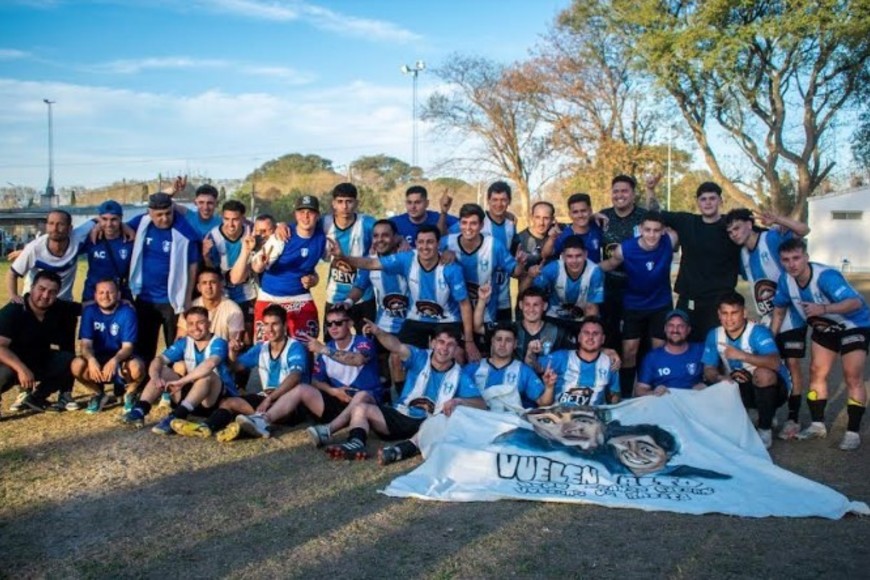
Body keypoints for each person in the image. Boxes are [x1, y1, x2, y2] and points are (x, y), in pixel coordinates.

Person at [379, 322, 553, 466]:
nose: (502, 344)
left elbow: (543, 402)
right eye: (498, 339)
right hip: (475, 421)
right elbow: (458, 394)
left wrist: (550, 386)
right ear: (491, 342)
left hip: (504, 422)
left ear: (515, 344)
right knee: (443, 417)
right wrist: (457, 401)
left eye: (508, 340)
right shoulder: (472, 368)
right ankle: (406, 448)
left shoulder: (523, 370)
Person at [307, 322, 482, 460]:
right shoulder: (420, 356)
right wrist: (378, 332)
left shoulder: (460, 375)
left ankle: (401, 451)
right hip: (401, 414)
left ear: (456, 349)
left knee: (440, 421)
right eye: (441, 342)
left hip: (426, 423)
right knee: (361, 406)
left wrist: (459, 401)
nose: (444, 348)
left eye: (451, 345)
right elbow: (396, 346)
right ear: (433, 343)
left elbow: (481, 405)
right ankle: (355, 442)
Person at [771, 238, 870, 450]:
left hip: (853, 324)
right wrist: (771, 340)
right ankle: (817, 425)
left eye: (796, 258)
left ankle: (852, 431)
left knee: (852, 375)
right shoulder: (785, 280)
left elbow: (856, 302)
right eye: (786, 260)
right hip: (824, 327)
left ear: (806, 257)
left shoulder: (826, 277)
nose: (792, 264)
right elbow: (779, 311)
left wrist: (823, 309)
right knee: (817, 372)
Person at [328, 225, 476, 362]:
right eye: (421, 242)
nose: (425, 247)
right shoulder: (408, 258)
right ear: (416, 244)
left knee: (456, 355)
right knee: (397, 357)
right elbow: (371, 264)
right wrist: (343, 256)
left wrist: (469, 341)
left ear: (438, 244)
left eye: (430, 242)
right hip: (416, 319)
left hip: (447, 320)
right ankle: (403, 390)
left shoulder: (451, 268)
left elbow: (464, 304)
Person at [725, 208, 810, 439]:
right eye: (730, 231)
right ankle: (767, 412)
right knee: (767, 365)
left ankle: (793, 418)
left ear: (750, 224)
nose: (734, 233)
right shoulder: (742, 254)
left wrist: (779, 219)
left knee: (792, 364)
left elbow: (804, 230)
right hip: (767, 318)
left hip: (792, 315)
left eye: (737, 227)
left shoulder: (771, 237)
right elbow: (757, 287)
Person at [234, 306, 383, 439]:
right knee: (302, 389)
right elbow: (314, 381)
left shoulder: (362, 342)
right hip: (339, 401)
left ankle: (328, 430)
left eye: (338, 323)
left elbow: (357, 360)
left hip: (367, 402)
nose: (333, 327)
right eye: (329, 324)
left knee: (362, 395)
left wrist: (324, 350)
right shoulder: (327, 347)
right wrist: (332, 391)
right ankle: (263, 420)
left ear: (350, 323)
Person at [169, 304, 308, 441]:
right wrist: (233, 352)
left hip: (290, 402)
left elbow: (294, 377)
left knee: (247, 411)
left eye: (275, 324)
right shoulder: (261, 348)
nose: (269, 329)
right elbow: (234, 367)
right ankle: (206, 427)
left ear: (284, 325)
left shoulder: (295, 347)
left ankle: (253, 425)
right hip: (267, 397)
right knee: (227, 402)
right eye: (266, 324)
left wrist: (269, 399)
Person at [7, 210, 91, 410]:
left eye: (60, 224)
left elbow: (102, 218)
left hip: (63, 304)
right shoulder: (34, 248)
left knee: (67, 351)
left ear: (69, 228)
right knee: (29, 348)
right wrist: (14, 296)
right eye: (51, 223)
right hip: (37, 305)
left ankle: (65, 394)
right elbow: (12, 273)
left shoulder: (78, 236)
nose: (55, 228)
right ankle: (25, 392)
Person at [120, 306, 237, 434]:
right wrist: (155, 377)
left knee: (207, 375)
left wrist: (181, 382)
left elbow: (209, 365)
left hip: (215, 400)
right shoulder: (185, 342)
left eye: (200, 323)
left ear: (209, 324)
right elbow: (159, 360)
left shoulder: (219, 342)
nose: (195, 327)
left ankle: (175, 417)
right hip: (194, 397)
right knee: (163, 370)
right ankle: (140, 410)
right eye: (191, 324)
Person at [599, 211, 677, 398]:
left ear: (663, 231)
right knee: (629, 351)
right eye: (648, 230)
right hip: (633, 305)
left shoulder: (670, 241)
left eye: (656, 231)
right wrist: (582, 268)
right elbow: (609, 264)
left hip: (660, 304)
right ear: (640, 229)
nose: (652, 234)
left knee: (658, 350)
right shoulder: (625, 249)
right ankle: (626, 395)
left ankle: (657, 393)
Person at [702, 292, 791, 449]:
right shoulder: (714, 335)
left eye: (734, 313)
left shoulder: (757, 332)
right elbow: (708, 368)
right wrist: (718, 378)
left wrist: (741, 356)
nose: (729, 319)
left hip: (776, 388)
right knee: (712, 384)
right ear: (719, 314)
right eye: (725, 313)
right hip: (740, 385)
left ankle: (765, 430)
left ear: (744, 313)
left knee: (763, 374)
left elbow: (775, 362)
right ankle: (758, 413)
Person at [661, 182, 741, 341]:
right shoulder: (687, 221)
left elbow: (755, 234)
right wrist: (650, 190)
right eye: (703, 199)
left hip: (719, 301)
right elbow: (655, 214)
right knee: (683, 345)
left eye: (712, 198)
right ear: (697, 202)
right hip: (689, 299)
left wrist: (780, 226)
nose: (708, 202)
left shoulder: (732, 225)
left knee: (717, 349)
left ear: (720, 201)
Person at [127, 192, 200, 364]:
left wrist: (187, 296)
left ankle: (174, 386)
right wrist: (98, 224)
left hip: (171, 301)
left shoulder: (184, 231)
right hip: (145, 298)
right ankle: (143, 386)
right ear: (149, 213)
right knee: (144, 346)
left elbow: (193, 265)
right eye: (159, 215)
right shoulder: (141, 223)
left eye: (168, 213)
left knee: (174, 347)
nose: (165, 218)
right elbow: (119, 226)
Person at [247, 196, 326, 341]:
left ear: (318, 215)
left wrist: (313, 279)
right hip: (270, 297)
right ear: (295, 215)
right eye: (301, 212)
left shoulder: (322, 236)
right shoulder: (283, 235)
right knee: (265, 348)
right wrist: (261, 263)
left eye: (310, 212)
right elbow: (256, 267)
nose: (306, 216)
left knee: (306, 346)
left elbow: (315, 270)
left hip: (299, 297)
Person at [0, 271, 77, 412]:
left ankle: (36, 397)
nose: (46, 295)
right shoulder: (13, 311)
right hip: (12, 363)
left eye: (52, 292)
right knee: (3, 372)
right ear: (32, 287)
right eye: (41, 289)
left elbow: (86, 307)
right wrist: (21, 368)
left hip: (39, 360)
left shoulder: (59, 308)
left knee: (70, 361)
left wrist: (120, 301)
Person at [440, 203, 522, 326]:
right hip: (454, 316)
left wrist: (520, 263)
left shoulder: (494, 245)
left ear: (481, 225)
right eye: (464, 223)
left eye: (473, 223)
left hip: (486, 315)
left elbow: (515, 271)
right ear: (459, 224)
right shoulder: (447, 242)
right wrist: (442, 254)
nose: (468, 228)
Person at [70, 278, 145, 413]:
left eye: (110, 292)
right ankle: (99, 394)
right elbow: (85, 344)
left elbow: (128, 347)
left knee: (137, 367)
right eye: (101, 292)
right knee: (76, 365)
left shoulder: (127, 312)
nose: (105, 296)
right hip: (98, 358)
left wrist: (115, 361)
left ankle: (130, 393)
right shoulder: (89, 311)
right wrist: (92, 360)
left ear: (119, 295)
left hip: (120, 359)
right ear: (95, 295)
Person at [600, 175, 650, 350]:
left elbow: (659, 221)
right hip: (609, 286)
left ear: (633, 194)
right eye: (616, 191)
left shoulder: (643, 217)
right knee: (610, 335)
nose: (619, 195)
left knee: (636, 340)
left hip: (638, 287)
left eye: (624, 191)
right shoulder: (603, 216)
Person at [526, 316, 621, 406]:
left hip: (592, 418)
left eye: (595, 333)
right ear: (579, 337)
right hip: (560, 415)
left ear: (603, 339)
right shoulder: (562, 357)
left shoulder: (610, 362)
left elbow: (614, 395)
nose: (590, 337)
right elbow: (535, 366)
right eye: (586, 333)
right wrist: (531, 352)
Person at [522, 235, 604, 336]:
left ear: (585, 254)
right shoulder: (553, 268)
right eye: (569, 256)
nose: (574, 261)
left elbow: (592, 308)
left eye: (578, 256)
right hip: (553, 318)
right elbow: (525, 294)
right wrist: (530, 277)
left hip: (582, 320)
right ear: (563, 256)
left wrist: (587, 333)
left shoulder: (594, 272)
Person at [322, 183, 376, 332]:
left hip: (364, 297)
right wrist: (282, 226)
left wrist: (401, 240)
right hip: (334, 296)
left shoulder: (367, 223)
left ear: (356, 203)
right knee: (331, 345)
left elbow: (390, 233)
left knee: (368, 346)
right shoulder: (325, 223)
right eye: (340, 202)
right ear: (333, 204)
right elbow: (301, 227)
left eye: (349, 201)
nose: (344, 206)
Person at [203, 200, 256, 338]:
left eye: (235, 219)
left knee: (247, 337)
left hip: (248, 292)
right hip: (224, 294)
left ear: (243, 218)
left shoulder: (252, 232)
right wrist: (206, 257)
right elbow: (211, 270)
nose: (230, 224)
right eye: (226, 219)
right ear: (222, 217)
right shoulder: (213, 236)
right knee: (224, 336)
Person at [635, 309, 705, 396]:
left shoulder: (700, 350)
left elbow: (713, 373)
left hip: (693, 402)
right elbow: (640, 390)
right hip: (665, 404)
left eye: (681, 326)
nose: (675, 330)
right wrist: (653, 393)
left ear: (688, 330)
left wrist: (706, 387)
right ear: (665, 329)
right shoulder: (652, 357)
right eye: (671, 325)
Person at [79, 200, 134, 302]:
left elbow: (152, 212)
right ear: (99, 219)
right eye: (104, 219)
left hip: (121, 296)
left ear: (121, 219)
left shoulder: (130, 239)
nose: (109, 224)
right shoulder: (90, 238)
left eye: (114, 219)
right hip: (93, 296)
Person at [176, 267, 244, 343]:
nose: (209, 287)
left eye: (213, 282)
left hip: (222, 352)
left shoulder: (233, 310)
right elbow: (180, 339)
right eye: (204, 283)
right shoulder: (189, 309)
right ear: (198, 287)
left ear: (221, 285)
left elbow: (234, 342)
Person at [482, 181, 518, 322]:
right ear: (488, 200)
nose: (499, 204)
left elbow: (515, 254)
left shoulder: (511, 225)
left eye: (503, 200)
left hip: (503, 296)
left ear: (509, 201)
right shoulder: (477, 222)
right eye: (495, 200)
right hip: (481, 296)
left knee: (504, 339)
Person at [541, 193, 604, 263]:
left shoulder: (598, 225)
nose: (580, 215)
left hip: (595, 272)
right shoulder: (564, 234)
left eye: (583, 211)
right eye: (575, 212)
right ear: (570, 214)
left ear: (590, 211)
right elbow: (545, 254)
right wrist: (552, 238)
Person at [390, 185, 458, 247]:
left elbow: (465, 225)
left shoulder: (439, 217)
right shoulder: (395, 222)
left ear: (427, 203)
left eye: (417, 202)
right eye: (409, 202)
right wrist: (400, 239)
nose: (413, 207)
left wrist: (444, 212)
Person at [513, 200, 557, 271]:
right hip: (529, 281)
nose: (541, 223)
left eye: (546, 218)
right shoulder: (519, 239)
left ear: (552, 219)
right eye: (537, 217)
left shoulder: (559, 234)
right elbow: (513, 272)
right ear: (531, 217)